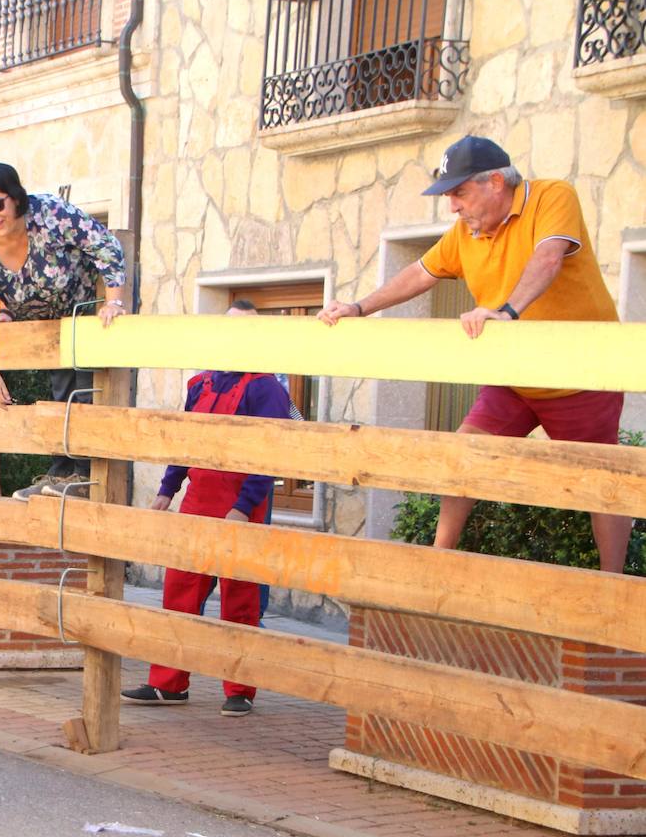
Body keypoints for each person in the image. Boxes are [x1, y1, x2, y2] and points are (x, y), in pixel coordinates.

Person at [317, 135, 631, 573]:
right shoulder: (466, 232)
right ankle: (438, 566)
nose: (453, 207)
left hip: (580, 377)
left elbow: (548, 256)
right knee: (463, 456)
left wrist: (506, 312)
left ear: (496, 182)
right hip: (514, 379)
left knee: (605, 483)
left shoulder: (551, 195)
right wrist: (357, 308)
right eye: (449, 196)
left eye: (459, 193)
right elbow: (418, 273)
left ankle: (612, 590)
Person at [121, 339, 292, 716]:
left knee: (240, 600)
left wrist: (244, 507)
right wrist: (168, 489)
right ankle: (167, 683)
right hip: (198, 500)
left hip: (241, 505)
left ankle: (239, 690)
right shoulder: (200, 384)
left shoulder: (267, 389)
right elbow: (186, 441)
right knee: (178, 592)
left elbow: (269, 454)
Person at [0, 163, 127, 499]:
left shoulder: (51, 214)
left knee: (84, 393)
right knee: (59, 395)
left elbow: (105, 246)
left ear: (16, 199)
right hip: (44, 332)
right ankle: (62, 472)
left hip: (82, 317)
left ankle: (81, 475)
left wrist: (114, 302)